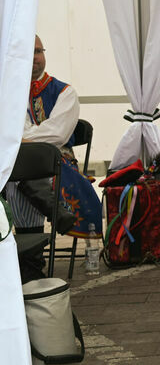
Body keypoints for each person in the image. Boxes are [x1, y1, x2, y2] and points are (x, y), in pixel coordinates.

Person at [2, 35, 101, 238]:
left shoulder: (65, 93)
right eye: (28, 53)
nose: (34, 58)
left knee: (16, 172)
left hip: (56, 162)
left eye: (38, 51)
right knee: (16, 169)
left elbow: (57, 134)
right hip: (15, 161)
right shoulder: (8, 93)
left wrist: (18, 139)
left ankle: (30, 258)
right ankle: (52, 214)